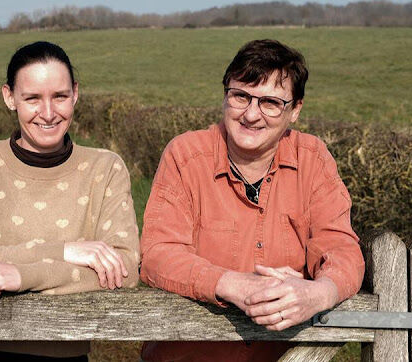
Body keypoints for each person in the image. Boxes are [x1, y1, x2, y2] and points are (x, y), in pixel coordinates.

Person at [139, 39, 364, 361]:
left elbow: (339, 245)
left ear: (295, 110)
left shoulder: (312, 159)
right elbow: (157, 254)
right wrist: (233, 284)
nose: (251, 115)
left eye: (271, 102)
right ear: (224, 95)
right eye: (241, 96)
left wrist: (321, 292)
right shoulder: (186, 155)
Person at [0, 41, 141, 361]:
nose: (48, 113)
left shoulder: (105, 168)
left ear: (75, 93)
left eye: (59, 96)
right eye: (32, 98)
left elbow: (125, 270)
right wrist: (64, 252)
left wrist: (20, 276)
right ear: (9, 98)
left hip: (67, 355)